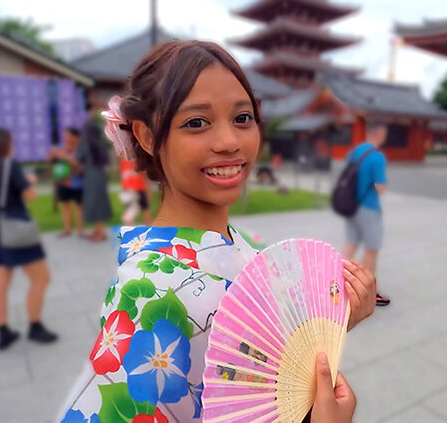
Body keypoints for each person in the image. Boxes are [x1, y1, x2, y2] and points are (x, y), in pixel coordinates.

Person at [59, 41, 374, 423]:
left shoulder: (236, 244)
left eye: (242, 118)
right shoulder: (149, 294)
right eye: (196, 123)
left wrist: (335, 324)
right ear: (146, 136)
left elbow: (256, 370)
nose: (230, 142)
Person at [0, 127, 58, 351]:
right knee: (41, 278)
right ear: (4, 144)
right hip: (16, 225)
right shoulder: (9, 166)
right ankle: (35, 327)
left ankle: (3, 332)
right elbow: (30, 195)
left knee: (0, 280)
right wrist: (29, 181)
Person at [341, 123, 390, 307]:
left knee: (351, 244)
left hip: (351, 205)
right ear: (380, 134)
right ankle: (366, 293)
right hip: (369, 207)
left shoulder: (354, 152)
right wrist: (380, 186)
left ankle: (337, 284)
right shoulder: (377, 156)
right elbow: (380, 187)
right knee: (371, 249)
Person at [78, 104, 114, 242]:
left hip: (92, 173)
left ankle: (100, 232)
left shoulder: (89, 143)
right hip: (98, 173)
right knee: (97, 200)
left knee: (95, 201)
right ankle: (98, 230)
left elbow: (81, 156)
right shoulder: (100, 142)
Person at [47, 127, 84, 237]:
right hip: (63, 180)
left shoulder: (81, 148)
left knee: (79, 205)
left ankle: (80, 230)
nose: (66, 138)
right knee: (65, 204)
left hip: (78, 181)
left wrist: (66, 157)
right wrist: (51, 156)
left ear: (75, 137)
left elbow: (80, 163)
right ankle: (67, 229)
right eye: (65, 136)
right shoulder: (60, 147)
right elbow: (50, 160)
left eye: (68, 135)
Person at [119, 157, 151, 224]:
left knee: (131, 212)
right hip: (136, 188)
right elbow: (144, 175)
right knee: (142, 211)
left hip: (130, 188)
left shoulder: (125, 159)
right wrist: (148, 190)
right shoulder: (138, 159)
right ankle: (147, 226)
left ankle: (131, 226)